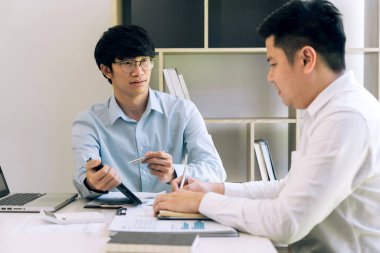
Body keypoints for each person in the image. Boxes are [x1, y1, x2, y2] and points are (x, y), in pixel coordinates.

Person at [153, 0, 380, 252]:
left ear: (306, 59)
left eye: (273, 63)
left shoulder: (345, 118)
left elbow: (286, 222)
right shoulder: (327, 110)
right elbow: (288, 188)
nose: (269, 76)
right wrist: (213, 189)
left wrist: (201, 202)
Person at [72, 25, 226, 198]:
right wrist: (92, 183)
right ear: (107, 70)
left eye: (144, 60)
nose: (138, 72)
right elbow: (83, 178)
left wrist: (174, 172)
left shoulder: (183, 111)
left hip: (172, 211)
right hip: (115, 215)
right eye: (127, 63)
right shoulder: (89, 122)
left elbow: (215, 171)